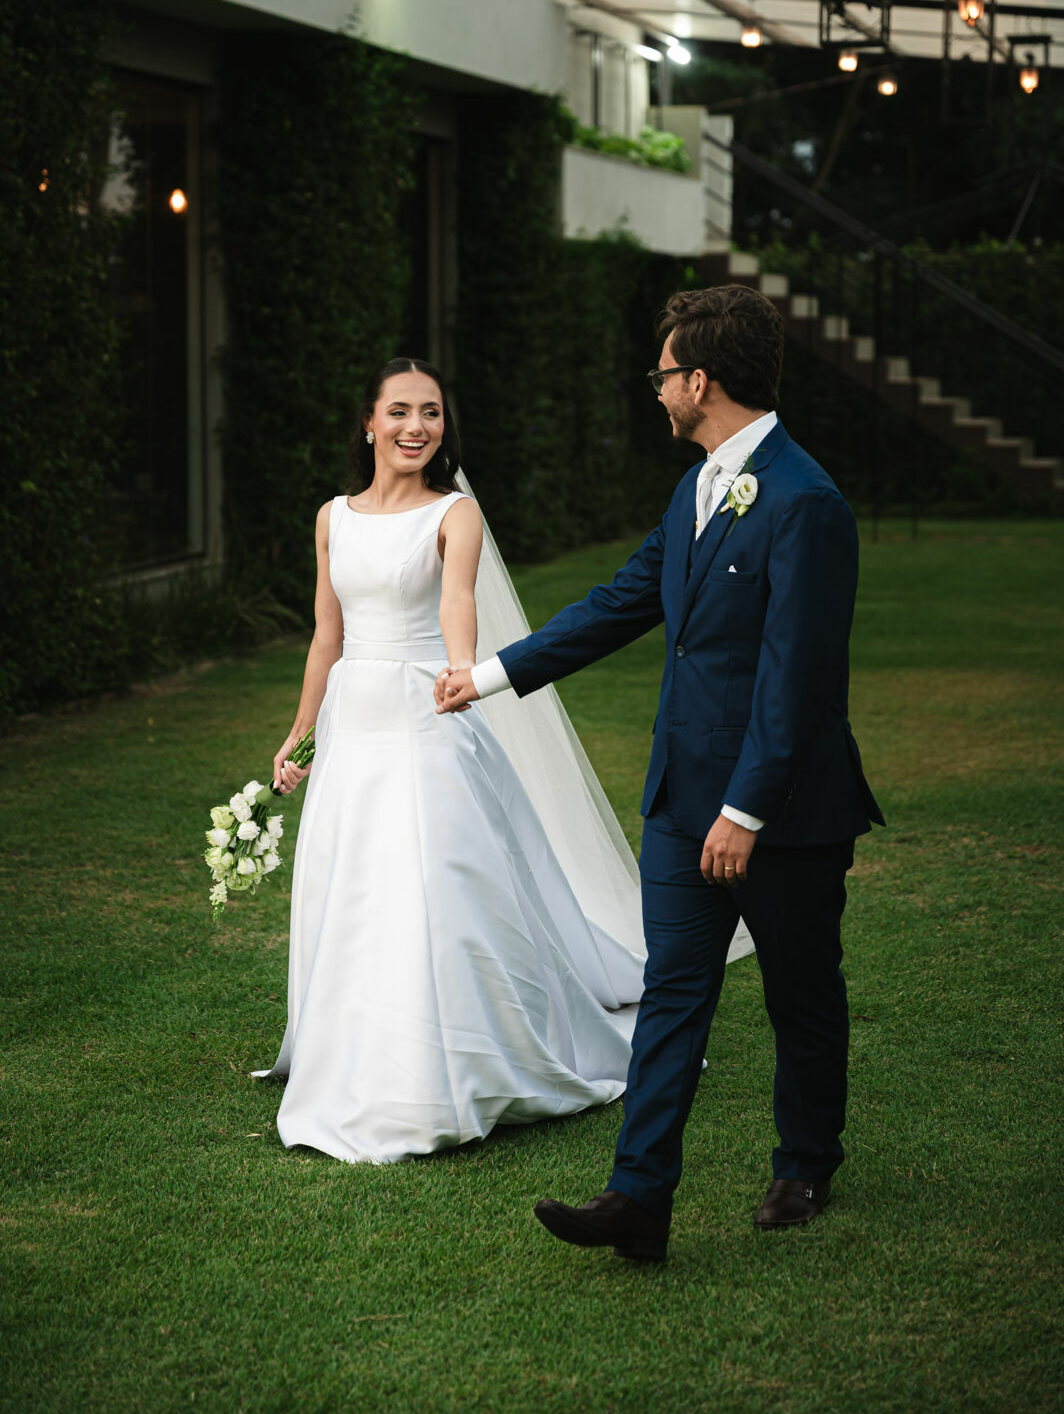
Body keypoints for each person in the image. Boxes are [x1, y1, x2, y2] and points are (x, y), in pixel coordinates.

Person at [436, 285, 884, 1261]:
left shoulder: (805, 503)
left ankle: (804, 1159)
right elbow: (620, 600)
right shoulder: (695, 488)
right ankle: (637, 1198)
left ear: (701, 381)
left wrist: (745, 808)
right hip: (680, 802)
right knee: (672, 988)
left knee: (799, 992)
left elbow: (795, 682)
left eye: (662, 373)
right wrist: (489, 674)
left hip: (783, 814)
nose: (656, 390)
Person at [254, 357, 671, 1164]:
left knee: (436, 881)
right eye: (401, 412)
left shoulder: (455, 513)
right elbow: (327, 633)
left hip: (423, 711)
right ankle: (352, 1049)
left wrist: (461, 670)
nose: (417, 428)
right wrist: (301, 730)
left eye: (433, 413)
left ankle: (457, 1059)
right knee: (356, 883)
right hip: (355, 720)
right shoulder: (331, 517)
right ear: (369, 424)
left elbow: (456, 601)